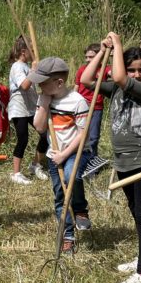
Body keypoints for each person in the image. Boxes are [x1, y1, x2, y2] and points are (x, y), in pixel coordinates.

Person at [81, 33, 141, 283]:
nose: (137, 74)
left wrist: (117, 44)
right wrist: (103, 53)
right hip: (124, 162)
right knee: (136, 213)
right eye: (132, 69)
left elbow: (119, 77)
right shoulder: (117, 89)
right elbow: (85, 79)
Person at [31, 57, 91, 251]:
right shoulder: (44, 98)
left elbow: (83, 135)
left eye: (43, 82)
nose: (39, 86)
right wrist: (44, 105)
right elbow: (40, 127)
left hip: (74, 151)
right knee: (59, 194)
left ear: (58, 83)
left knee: (71, 178)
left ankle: (80, 209)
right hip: (53, 153)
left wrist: (64, 155)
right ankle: (67, 234)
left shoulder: (77, 102)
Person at [7, 36, 49, 184]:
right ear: (24, 51)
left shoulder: (27, 66)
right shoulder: (17, 66)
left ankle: (35, 164)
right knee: (23, 138)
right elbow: (24, 85)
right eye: (32, 49)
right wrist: (33, 70)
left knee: (45, 134)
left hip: (31, 107)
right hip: (19, 108)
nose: (34, 53)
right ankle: (16, 173)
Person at [76, 43, 111, 177]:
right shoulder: (82, 70)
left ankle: (92, 164)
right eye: (86, 57)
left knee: (94, 137)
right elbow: (76, 87)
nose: (88, 60)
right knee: (80, 136)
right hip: (82, 107)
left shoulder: (104, 69)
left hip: (96, 107)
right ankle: (80, 163)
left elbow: (115, 74)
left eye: (91, 57)